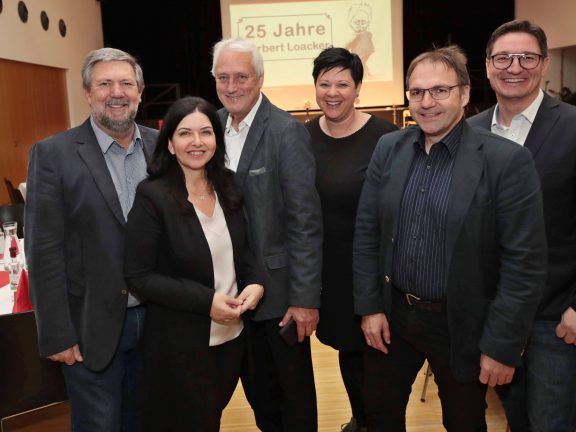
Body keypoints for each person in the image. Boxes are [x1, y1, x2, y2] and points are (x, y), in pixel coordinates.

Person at [353, 45, 547, 431]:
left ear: (464, 93)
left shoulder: (506, 161)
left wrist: (501, 346)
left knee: (463, 422)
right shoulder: (389, 148)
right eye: (417, 92)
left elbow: (524, 264)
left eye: (440, 90)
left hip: (462, 324)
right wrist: (370, 308)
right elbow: (367, 232)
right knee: (378, 413)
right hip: (394, 315)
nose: (427, 102)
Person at [25, 48, 158, 431]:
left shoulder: (162, 146)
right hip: (89, 328)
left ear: (139, 92)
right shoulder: (53, 154)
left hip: (159, 324)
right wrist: (56, 334)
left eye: (126, 83)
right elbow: (43, 251)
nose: (116, 92)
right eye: (104, 84)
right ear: (87, 92)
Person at [123, 96, 264, 431]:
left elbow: (245, 251)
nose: (197, 142)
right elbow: (139, 276)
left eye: (206, 132)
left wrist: (256, 282)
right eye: (185, 133)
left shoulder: (228, 184)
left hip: (232, 340)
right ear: (170, 144)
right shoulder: (152, 196)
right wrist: (207, 302)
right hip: (180, 346)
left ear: (217, 140)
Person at [468, 20, 576, 432]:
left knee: (552, 422)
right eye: (503, 58)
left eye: (527, 58)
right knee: (515, 421)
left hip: (555, 317)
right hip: (494, 316)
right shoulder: (469, 133)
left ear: (544, 64)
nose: (514, 67)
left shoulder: (572, 127)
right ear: (487, 66)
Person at [211, 37, 323, 431]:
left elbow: (305, 222)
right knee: (260, 397)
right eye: (223, 77)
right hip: (227, 294)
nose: (231, 86)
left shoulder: (286, 132)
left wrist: (304, 299)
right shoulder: (209, 128)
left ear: (260, 79)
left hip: (278, 297)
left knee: (292, 400)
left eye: (241, 77)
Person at [306, 47, 397, 432]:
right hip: (331, 273)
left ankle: (376, 422)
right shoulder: (302, 137)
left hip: (376, 272)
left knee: (379, 359)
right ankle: (360, 419)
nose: (332, 92)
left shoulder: (387, 138)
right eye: (324, 83)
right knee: (348, 349)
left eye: (342, 84)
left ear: (358, 88)